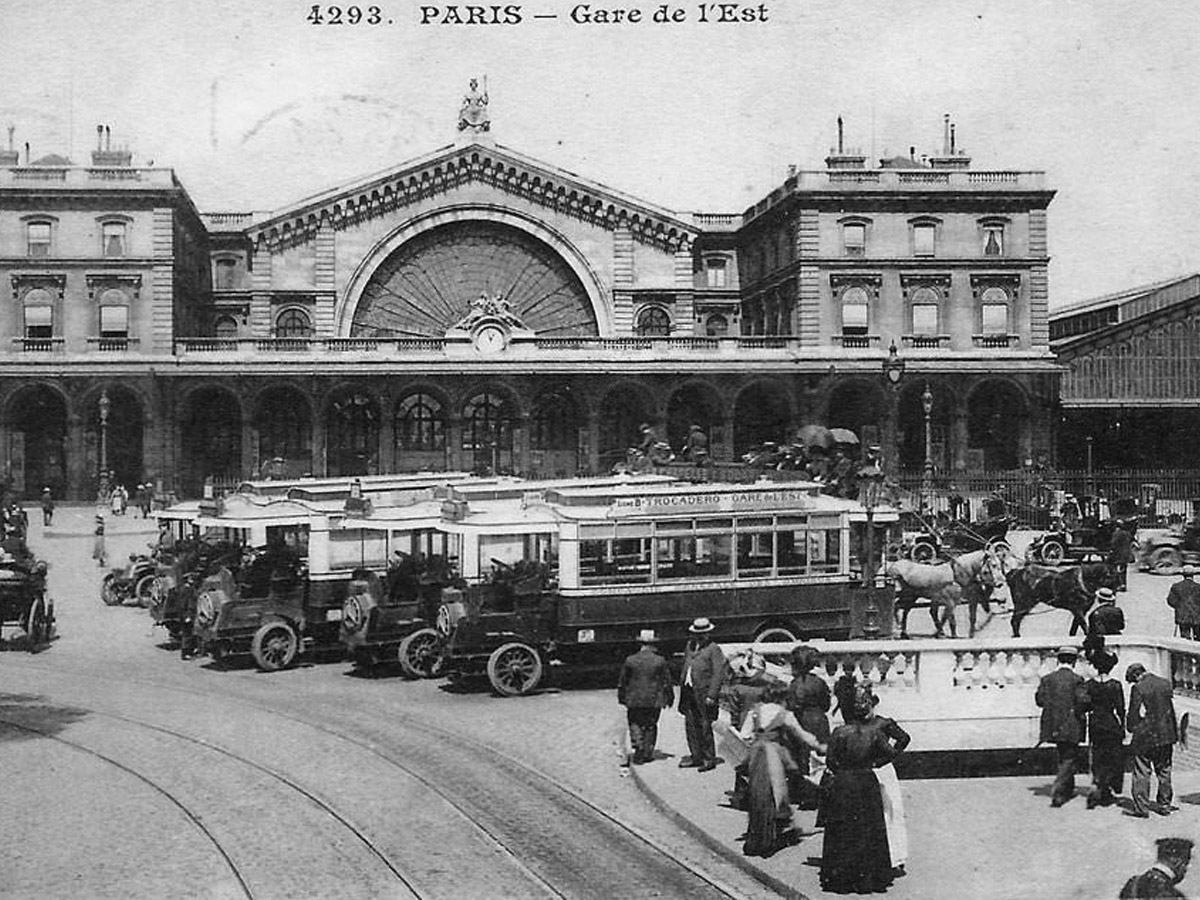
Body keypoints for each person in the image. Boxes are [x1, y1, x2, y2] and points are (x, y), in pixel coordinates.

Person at [819, 684, 898, 894]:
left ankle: (841, 878)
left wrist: (843, 768)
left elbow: (830, 761)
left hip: (844, 782)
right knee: (868, 828)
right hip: (866, 781)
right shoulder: (874, 733)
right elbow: (891, 753)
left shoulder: (839, 732)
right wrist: (874, 763)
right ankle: (869, 877)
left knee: (843, 829)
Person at [737, 681, 827, 858]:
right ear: (783, 698)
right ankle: (771, 836)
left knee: (757, 794)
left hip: (756, 755)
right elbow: (802, 735)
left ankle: (757, 835)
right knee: (776, 792)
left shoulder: (755, 711)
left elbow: (744, 735)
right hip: (774, 755)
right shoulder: (784, 714)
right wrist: (819, 745)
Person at [861, 691, 912, 878]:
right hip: (864, 772)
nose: (865, 709)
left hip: (882, 772)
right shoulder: (857, 724)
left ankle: (895, 858)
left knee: (890, 812)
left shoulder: (883, 723)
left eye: (868, 704)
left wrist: (888, 757)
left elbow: (904, 738)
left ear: (873, 705)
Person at [1035, 645, 1087, 807]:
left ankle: (1067, 788)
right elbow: (1083, 702)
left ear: (1059, 659)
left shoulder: (1047, 679)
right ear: (1073, 661)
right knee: (1069, 757)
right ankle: (1059, 793)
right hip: (1071, 725)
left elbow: (1040, 701)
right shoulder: (1077, 679)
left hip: (1053, 725)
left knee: (1064, 755)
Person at [1126, 662, 1179, 818]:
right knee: (1164, 771)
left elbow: (1134, 713)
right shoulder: (1165, 683)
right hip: (1166, 735)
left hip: (1145, 737)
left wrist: (1130, 728)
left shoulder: (1138, 688)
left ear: (1135, 676)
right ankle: (1165, 804)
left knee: (1142, 771)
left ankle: (1141, 808)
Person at [677, 617, 729, 772]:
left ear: (708, 634)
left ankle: (709, 758)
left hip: (704, 693)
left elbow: (718, 674)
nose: (700, 636)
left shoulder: (714, 649)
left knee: (705, 726)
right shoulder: (690, 646)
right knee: (691, 726)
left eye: (703, 633)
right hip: (689, 691)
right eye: (697, 633)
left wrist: (712, 695)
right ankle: (695, 756)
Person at [617, 629, 674, 766]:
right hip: (654, 699)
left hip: (634, 699)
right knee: (650, 724)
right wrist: (669, 697)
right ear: (653, 645)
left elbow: (623, 681)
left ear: (640, 644)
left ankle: (638, 746)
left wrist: (622, 697)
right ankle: (648, 751)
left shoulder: (630, 660)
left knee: (635, 722)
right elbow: (667, 681)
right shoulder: (660, 661)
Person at [786, 645, 832, 803]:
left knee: (802, 757)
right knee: (820, 758)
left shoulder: (794, 684)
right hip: (819, 720)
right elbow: (826, 704)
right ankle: (819, 791)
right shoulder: (819, 682)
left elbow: (791, 705)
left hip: (802, 720)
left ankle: (805, 794)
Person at [1082, 649, 1126, 809]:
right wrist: (1123, 727)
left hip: (1095, 724)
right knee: (1113, 757)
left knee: (1098, 756)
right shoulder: (1115, 685)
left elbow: (1085, 706)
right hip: (1111, 723)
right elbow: (1121, 709)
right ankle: (1108, 788)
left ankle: (1099, 786)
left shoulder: (1089, 685)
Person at [1121, 837, 1194, 898]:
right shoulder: (1170, 893)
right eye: (1186, 863)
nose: (1186, 869)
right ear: (1178, 862)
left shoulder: (1132, 883)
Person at [1167, 566, 1200, 639]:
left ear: (1183, 575)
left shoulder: (1176, 586)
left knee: (1185, 639)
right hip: (1197, 617)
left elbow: (1170, 600)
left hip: (1182, 617)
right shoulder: (1198, 587)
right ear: (1193, 575)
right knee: (1198, 638)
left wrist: (1179, 607)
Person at [1108, 519, 1134, 592]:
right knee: (1123, 570)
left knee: (1116, 570)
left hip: (1118, 555)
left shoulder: (1116, 534)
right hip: (1126, 554)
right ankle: (1123, 584)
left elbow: (1113, 544)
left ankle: (1119, 585)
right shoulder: (1127, 533)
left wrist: (1111, 552)